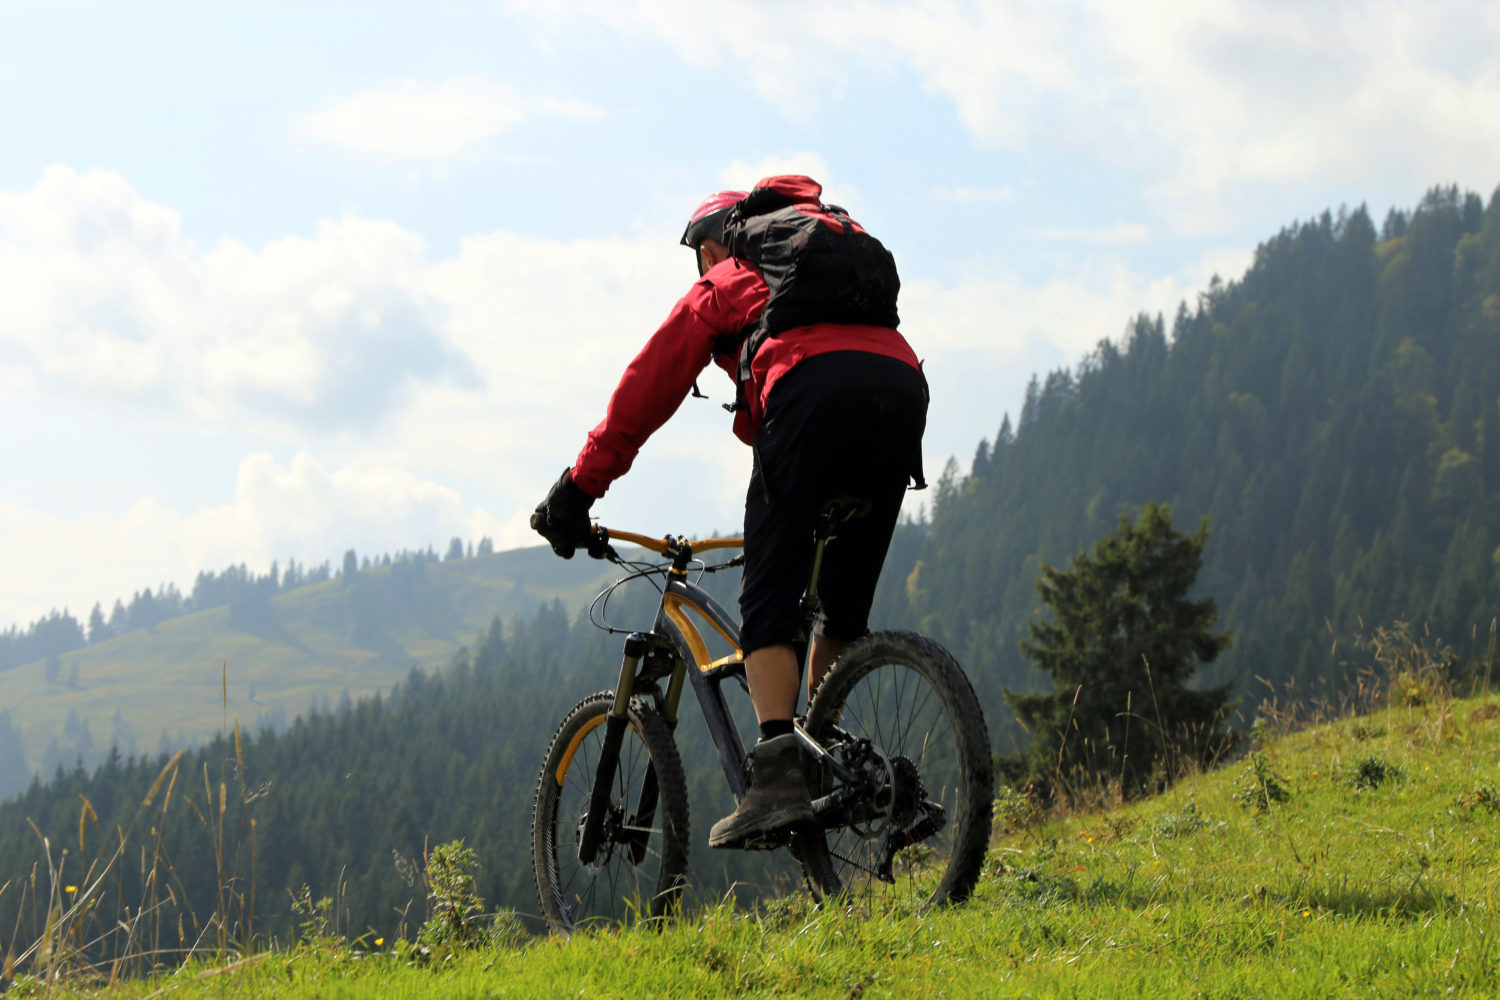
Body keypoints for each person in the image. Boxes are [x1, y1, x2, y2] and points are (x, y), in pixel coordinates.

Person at [532, 175, 927, 849]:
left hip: (809, 397)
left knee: (768, 595)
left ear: (718, 241)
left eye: (698, 251)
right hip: (900, 393)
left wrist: (577, 491)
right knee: (838, 605)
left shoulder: (731, 276)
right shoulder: (830, 256)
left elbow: (644, 390)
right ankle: (830, 757)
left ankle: (778, 773)